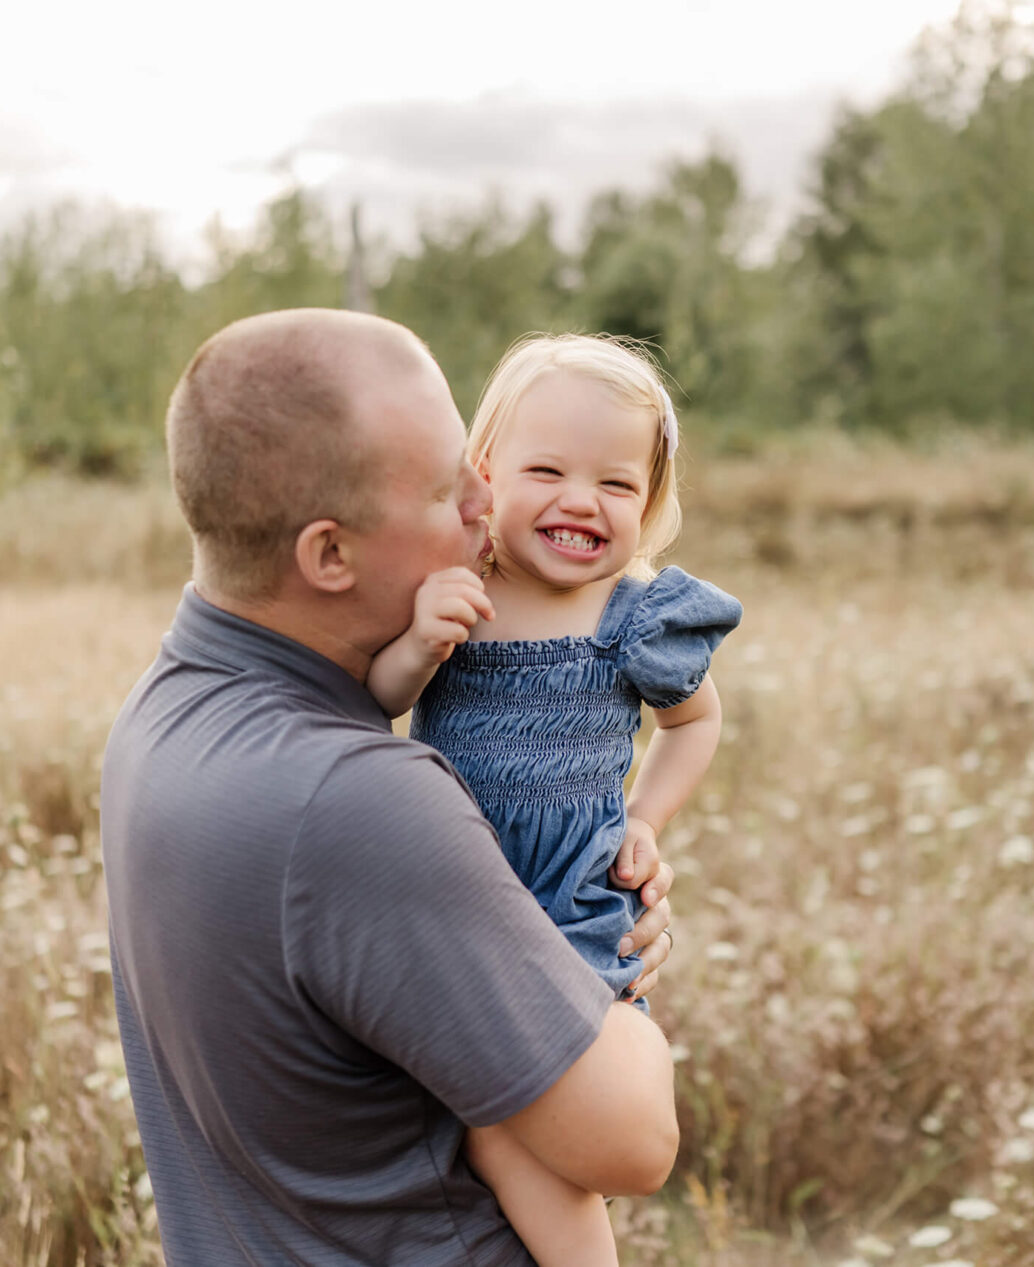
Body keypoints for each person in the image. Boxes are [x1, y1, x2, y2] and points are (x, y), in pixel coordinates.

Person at [102, 310, 680, 1266]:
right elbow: (635, 1139)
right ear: (330, 554)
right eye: (445, 488)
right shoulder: (357, 803)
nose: (481, 506)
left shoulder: (166, 708)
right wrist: (603, 971)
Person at [367, 334, 741, 1265]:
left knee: (521, 1120)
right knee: (474, 1117)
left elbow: (695, 724)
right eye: (547, 470)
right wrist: (417, 647)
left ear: (650, 504)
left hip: (574, 898)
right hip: (460, 883)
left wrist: (646, 822)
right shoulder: (457, 588)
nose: (582, 500)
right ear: (484, 472)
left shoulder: (633, 617)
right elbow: (373, 704)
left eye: (617, 484)